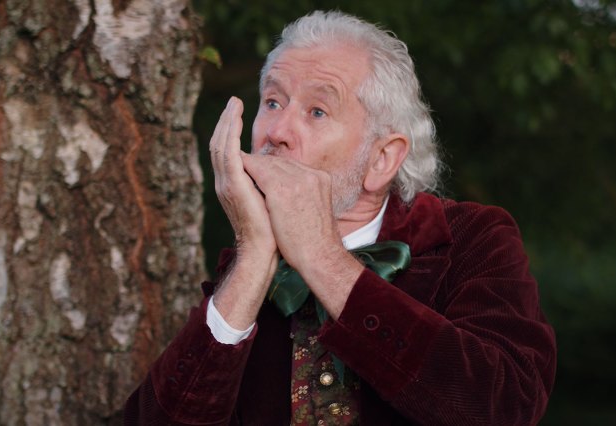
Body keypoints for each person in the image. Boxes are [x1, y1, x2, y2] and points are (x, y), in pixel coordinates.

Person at [124, 10, 556, 425]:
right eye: (273, 102)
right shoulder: (241, 270)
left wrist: (319, 253)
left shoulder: (471, 238)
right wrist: (253, 257)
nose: (275, 133)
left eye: (316, 111)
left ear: (382, 159)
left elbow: (504, 407)